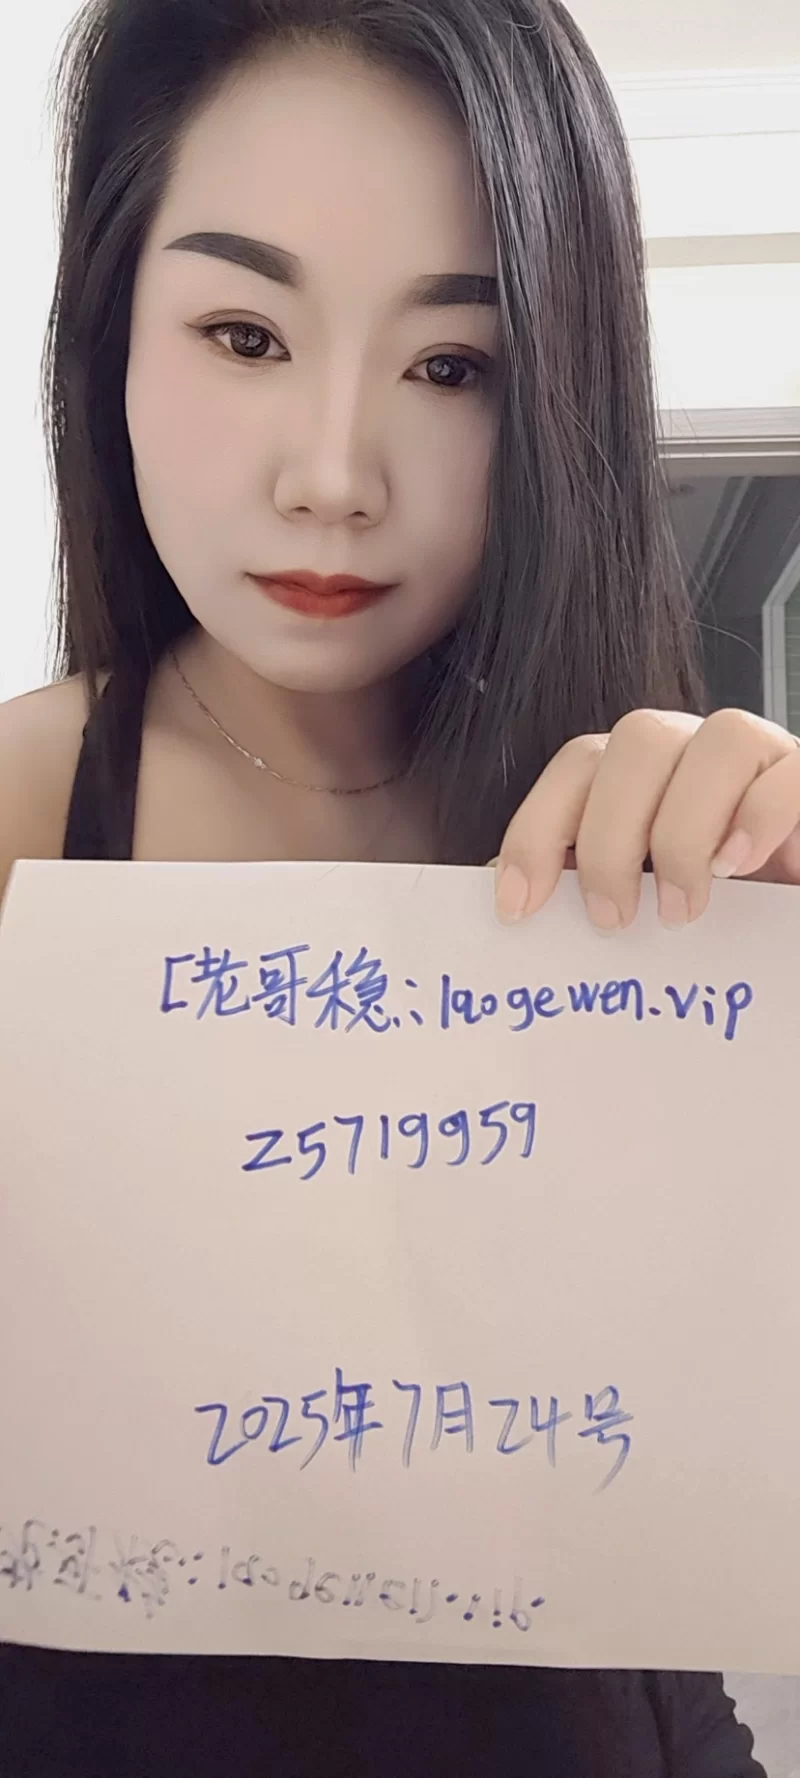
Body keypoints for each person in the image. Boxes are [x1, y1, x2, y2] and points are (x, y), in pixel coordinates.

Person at [1, 0, 795, 1769]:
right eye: (242, 332)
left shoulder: (654, 861)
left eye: (452, 366)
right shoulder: (21, 828)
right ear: (108, 340)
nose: (334, 477)